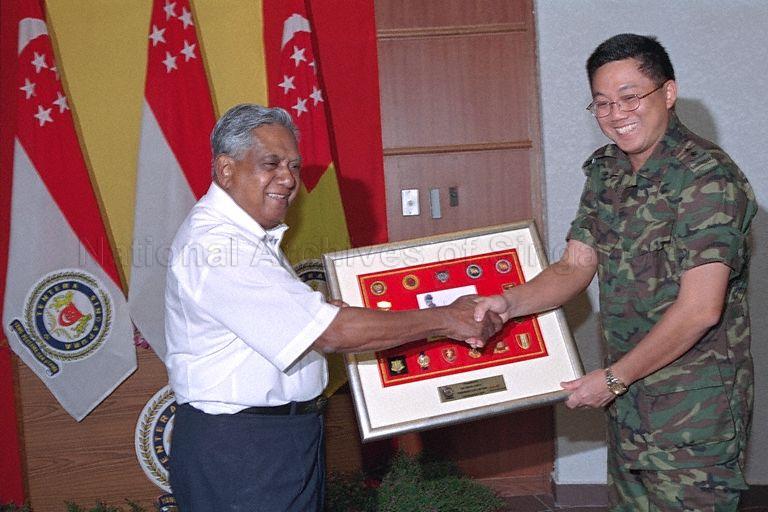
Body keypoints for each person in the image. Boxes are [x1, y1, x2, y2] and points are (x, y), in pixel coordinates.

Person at [163, 103, 502, 511]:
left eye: (293, 166)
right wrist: (449, 317)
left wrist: (321, 313)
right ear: (226, 170)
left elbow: (300, 327)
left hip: (278, 438)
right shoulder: (218, 245)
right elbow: (330, 332)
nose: (288, 179)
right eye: (271, 163)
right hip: (242, 449)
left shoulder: (249, 238)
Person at [474, 34, 756, 511]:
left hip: (692, 410)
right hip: (629, 402)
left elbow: (700, 310)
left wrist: (612, 380)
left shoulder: (707, 179)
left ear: (667, 93)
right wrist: (509, 302)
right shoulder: (607, 173)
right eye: (602, 103)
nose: (616, 113)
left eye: (630, 97)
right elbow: (574, 265)